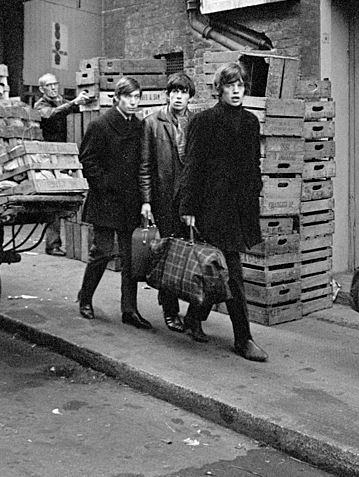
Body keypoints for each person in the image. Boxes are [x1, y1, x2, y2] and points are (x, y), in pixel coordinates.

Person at [178, 62, 267, 362]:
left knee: (216, 270)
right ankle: (244, 338)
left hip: (240, 209)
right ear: (219, 90)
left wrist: (255, 193)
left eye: (240, 85)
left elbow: (254, 164)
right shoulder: (204, 122)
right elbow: (192, 167)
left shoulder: (251, 123)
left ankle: (193, 317)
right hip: (212, 209)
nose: (236, 91)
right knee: (233, 274)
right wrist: (188, 207)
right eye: (230, 86)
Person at [76, 76, 152, 329]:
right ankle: (85, 298)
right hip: (105, 201)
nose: (133, 102)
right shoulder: (100, 125)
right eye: (128, 97)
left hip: (129, 202)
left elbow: (143, 164)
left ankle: (129, 310)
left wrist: (143, 199)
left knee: (131, 259)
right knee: (102, 252)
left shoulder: (138, 126)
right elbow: (87, 160)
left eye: (137, 97)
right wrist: (105, 186)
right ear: (117, 98)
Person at [139, 72, 197, 333]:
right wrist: (147, 201)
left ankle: (192, 313)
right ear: (168, 95)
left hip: (188, 200)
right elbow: (145, 166)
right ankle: (170, 310)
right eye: (174, 92)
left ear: (189, 96)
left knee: (190, 254)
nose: (178, 97)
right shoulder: (152, 122)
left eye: (183, 92)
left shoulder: (196, 122)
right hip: (164, 200)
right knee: (167, 254)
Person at [34, 73, 91, 256]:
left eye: (55, 84)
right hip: (49, 156)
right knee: (55, 198)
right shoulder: (40, 105)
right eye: (48, 86)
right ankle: (53, 244)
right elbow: (52, 115)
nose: (53, 88)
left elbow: (71, 110)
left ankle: (73, 241)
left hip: (67, 154)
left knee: (69, 195)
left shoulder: (61, 101)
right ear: (42, 89)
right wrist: (75, 102)